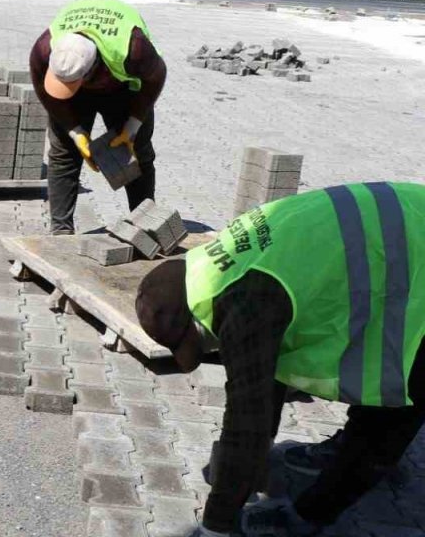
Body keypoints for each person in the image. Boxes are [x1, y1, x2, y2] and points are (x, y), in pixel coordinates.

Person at [135, 181, 425, 537]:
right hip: (406, 233)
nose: (213, 350)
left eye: (198, 344)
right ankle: (348, 453)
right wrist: (254, 459)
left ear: (195, 319)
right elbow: (265, 382)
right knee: (386, 367)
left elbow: (247, 419)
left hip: (414, 254)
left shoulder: (245, 301)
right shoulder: (218, 262)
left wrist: (216, 526)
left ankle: (311, 515)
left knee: (397, 407)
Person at [29, 0, 167, 235]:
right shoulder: (44, 48)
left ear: (93, 69)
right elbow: (47, 93)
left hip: (123, 88)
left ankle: (144, 226)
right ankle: (61, 232)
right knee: (63, 153)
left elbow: (154, 80)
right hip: (81, 88)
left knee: (137, 154)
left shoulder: (133, 49)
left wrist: (131, 128)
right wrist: (75, 132)